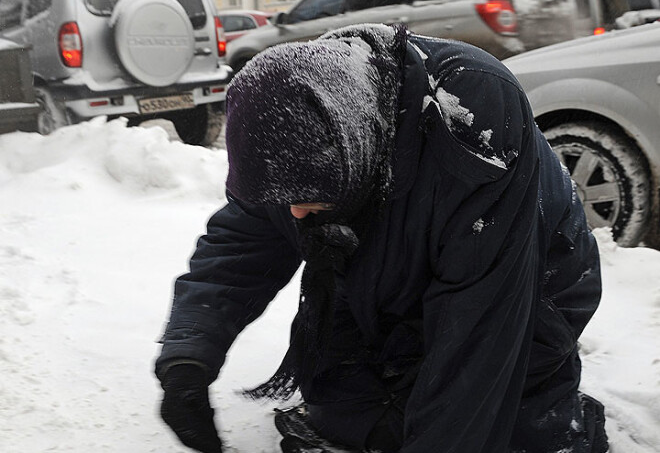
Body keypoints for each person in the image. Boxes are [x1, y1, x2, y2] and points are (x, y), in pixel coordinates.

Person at [155, 24, 608, 453]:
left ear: (352, 151)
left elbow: (478, 329)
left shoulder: (472, 111)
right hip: (392, 273)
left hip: (530, 288)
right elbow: (241, 243)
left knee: (499, 420)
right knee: (346, 411)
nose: (293, 213)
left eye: (308, 196)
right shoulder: (301, 116)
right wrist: (188, 360)